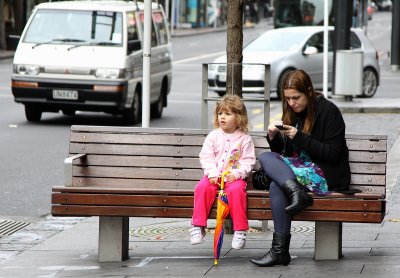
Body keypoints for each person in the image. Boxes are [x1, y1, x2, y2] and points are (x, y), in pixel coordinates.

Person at [250, 69, 350, 267]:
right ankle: (280, 251)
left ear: (309, 91)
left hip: (324, 174)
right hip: (299, 171)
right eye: (287, 98)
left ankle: (280, 250)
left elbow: (333, 154)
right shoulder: (292, 113)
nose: (292, 103)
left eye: (296, 97)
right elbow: (286, 154)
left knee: (267, 161)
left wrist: (299, 136)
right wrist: (273, 137)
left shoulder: (329, 111)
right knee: (273, 174)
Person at [191, 95, 256, 250]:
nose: (222, 117)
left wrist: (238, 174)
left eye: (228, 114)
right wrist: (212, 173)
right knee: (202, 188)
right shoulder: (213, 136)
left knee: (237, 191)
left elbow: (248, 161)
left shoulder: (244, 139)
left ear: (238, 117)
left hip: (234, 178)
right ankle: (197, 226)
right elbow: (206, 156)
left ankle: (239, 230)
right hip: (214, 177)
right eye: (220, 113)